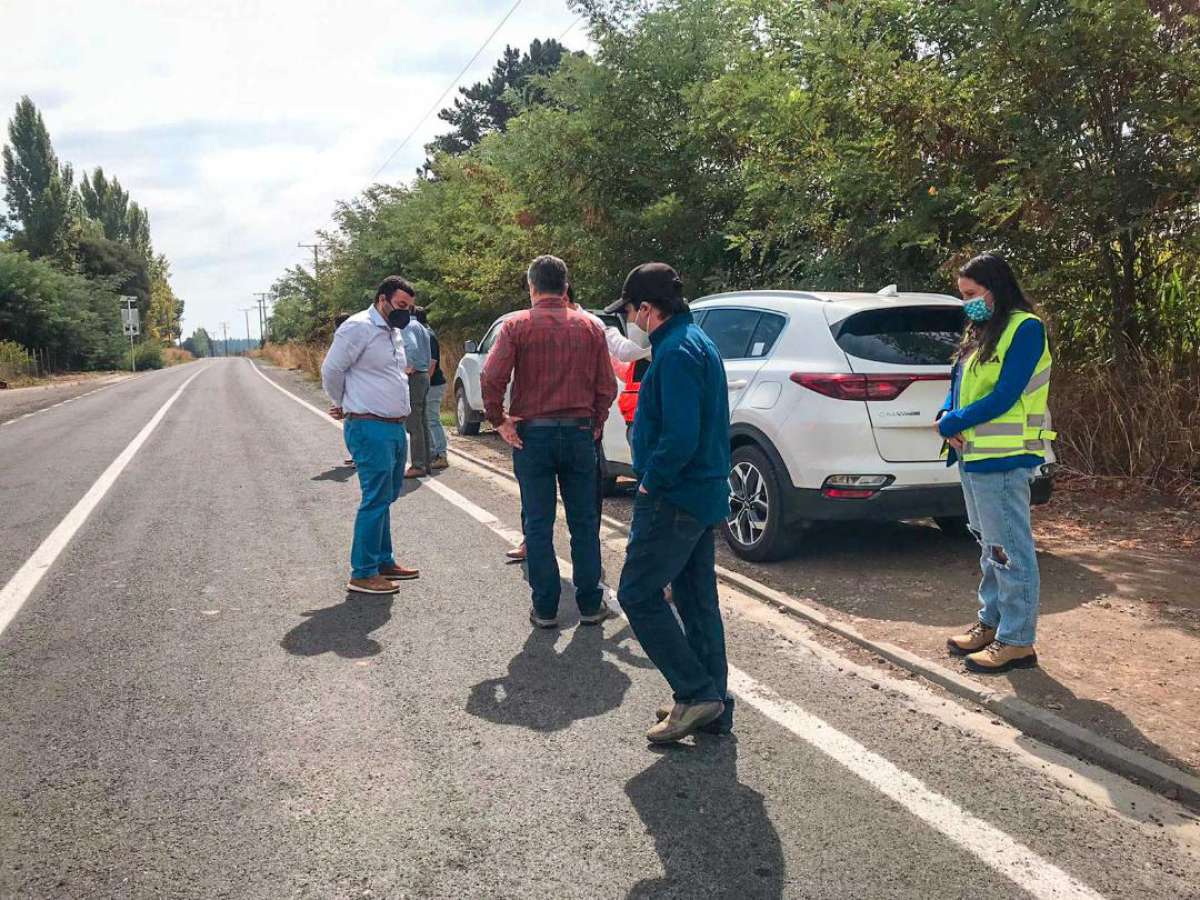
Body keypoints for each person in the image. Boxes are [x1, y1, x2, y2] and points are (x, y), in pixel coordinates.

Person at [611, 263, 733, 744]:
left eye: (629, 311)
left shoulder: (677, 352)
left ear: (646, 308)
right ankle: (713, 703)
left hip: (674, 495)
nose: (628, 320)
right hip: (700, 493)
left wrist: (650, 483)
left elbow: (679, 435)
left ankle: (695, 692)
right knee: (696, 599)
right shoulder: (693, 341)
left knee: (638, 595)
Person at [482, 254, 618, 629]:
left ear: (532, 286)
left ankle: (545, 608)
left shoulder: (515, 326)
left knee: (538, 523)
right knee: (585, 521)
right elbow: (607, 386)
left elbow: (492, 376)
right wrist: (596, 422)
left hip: (533, 435)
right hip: (578, 432)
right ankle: (590, 603)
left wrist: (499, 421)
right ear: (565, 285)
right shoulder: (591, 327)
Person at [938, 252, 1054, 674]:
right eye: (962, 295)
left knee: (1009, 550)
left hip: (1006, 458)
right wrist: (946, 414)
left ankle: (1017, 640)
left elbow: (1005, 394)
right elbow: (961, 385)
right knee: (990, 546)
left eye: (972, 294)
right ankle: (992, 623)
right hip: (975, 457)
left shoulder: (1025, 328)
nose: (966, 302)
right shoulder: (983, 330)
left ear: (996, 287)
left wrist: (956, 419)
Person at [504, 284, 649, 562]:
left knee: (583, 506)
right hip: (565, 427)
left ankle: (580, 564)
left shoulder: (593, 326)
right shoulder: (529, 325)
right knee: (537, 504)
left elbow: (621, 358)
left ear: (564, 296)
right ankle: (544, 550)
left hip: (576, 427)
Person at [320, 276, 421, 595]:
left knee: (387, 495)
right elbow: (332, 370)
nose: (406, 312)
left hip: (393, 427)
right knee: (375, 498)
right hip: (368, 426)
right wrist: (342, 403)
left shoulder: (394, 331)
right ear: (382, 300)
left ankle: (382, 560)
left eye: (410, 307)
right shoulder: (357, 327)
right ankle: (362, 572)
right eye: (401, 305)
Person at [398, 292, 434, 479]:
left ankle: (418, 464)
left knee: (414, 424)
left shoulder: (406, 326)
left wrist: (407, 367)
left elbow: (409, 347)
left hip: (414, 377)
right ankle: (425, 462)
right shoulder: (421, 326)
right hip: (423, 376)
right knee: (422, 421)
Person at [415, 307, 449, 470]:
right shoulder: (424, 333)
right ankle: (432, 452)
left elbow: (432, 364)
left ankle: (441, 454)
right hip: (431, 383)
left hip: (433, 384)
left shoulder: (427, 335)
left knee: (431, 418)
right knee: (426, 419)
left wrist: (423, 385)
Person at [333, 313, 355, 469]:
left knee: (352, 422)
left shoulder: (344, 337)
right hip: (350, 385)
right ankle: (355, 454)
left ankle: (357, 455)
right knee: (350, 421)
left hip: (350, 386)